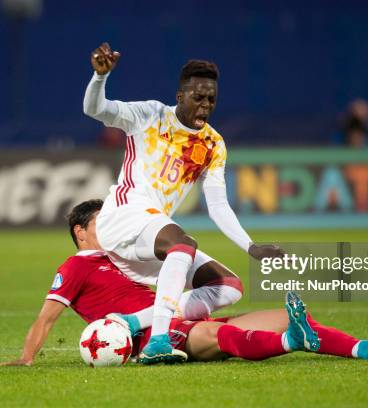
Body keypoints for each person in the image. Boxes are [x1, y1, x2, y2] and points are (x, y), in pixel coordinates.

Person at [1, 200, 368, 366]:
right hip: (147, 337)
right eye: (100, 221)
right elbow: (47, 318)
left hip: (170, 317)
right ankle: (293, 343)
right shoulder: (76, 266)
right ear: (80, 231)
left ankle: (366, 348)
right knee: (226, 335)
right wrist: (27, 357)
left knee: (275, 314)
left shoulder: (122, 256)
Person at [82, 42, 284, 364]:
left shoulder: (213, 144)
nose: (205, 105)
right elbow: (95, 109)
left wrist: (251, 246)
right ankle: (158, 341)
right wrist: (99, 77)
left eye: (212, 100)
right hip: (123, 215)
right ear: (180, 97)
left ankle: (133, 322)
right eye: (198, 97)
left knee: (227, 286)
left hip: (152, 236)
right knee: (183, 243)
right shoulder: (149, 115)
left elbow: (218, 206)